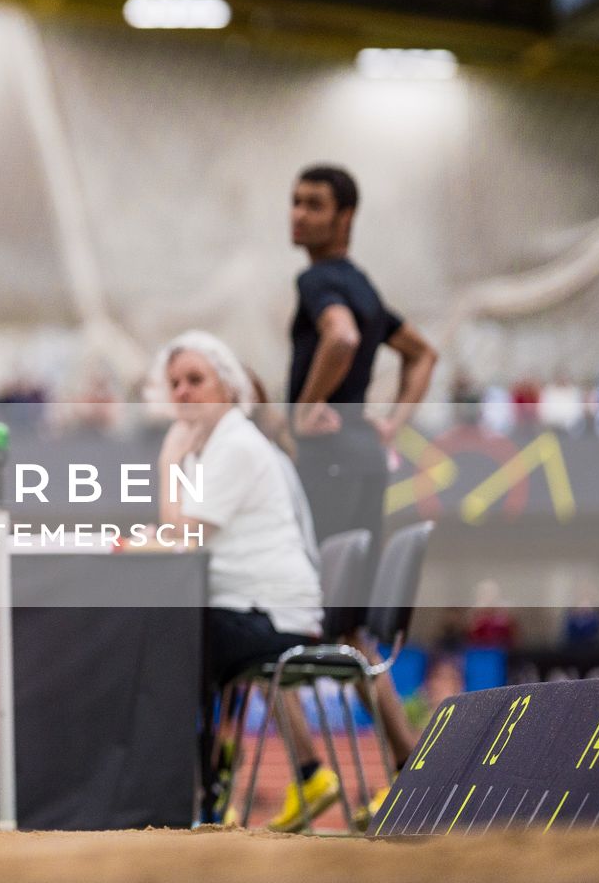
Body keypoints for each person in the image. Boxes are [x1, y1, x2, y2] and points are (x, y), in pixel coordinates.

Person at [153, 331, 332, 833]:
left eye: (195, 380)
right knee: (175, 634)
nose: (183, 392)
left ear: (228, 387)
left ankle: (203, 795)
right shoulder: (213, 449)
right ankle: (208, 793)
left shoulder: (233, 445)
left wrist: (167, 462)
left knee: (172, 640)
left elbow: (181, 535)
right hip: (252, 609)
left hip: (273, 617)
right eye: (174, 384)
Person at [287, 165, 437, 590]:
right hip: (365, 457)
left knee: (318, 590)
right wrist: (393, 425)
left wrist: (306, 407)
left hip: (329, 455)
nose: (298, 214)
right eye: (295, 202)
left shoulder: (317, 280)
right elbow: (423, 354)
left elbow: (342, 336)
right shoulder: (360, 284)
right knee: (353, 595)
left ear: (345, 217)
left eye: (314, 205)